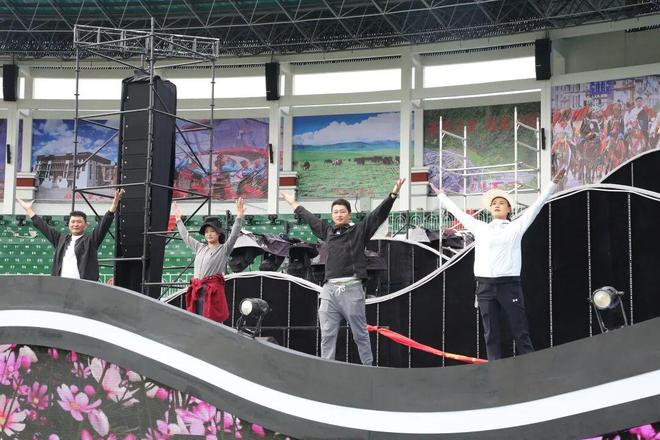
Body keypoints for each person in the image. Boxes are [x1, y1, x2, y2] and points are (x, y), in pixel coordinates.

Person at [431, 169, 565, 360]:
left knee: (519, 329)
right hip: (484, 286)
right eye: (494, 203)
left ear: (509, 209)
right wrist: (442, 196)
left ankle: (533, 366)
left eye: (501, 203)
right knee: (490, 333)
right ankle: (494, 368)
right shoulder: (480, 227)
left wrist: (552, 184)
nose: (497, 205)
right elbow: (458, 213)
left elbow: (537, 206)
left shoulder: (516, 226)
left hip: (509, 285)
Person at [281, 178, 405, 366]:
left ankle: (368, 368)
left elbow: (377, 215)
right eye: (335, 212)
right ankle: (327, 369)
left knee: (360, 334)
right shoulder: (327, 232)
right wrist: (293, 203)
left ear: (349, 214)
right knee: (327, 334)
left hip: (352, 289)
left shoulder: (359, 231)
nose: (339, 215)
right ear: (332, 215)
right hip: (329, 291)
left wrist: (393, 195)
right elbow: (310, 218)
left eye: (342, 212)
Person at [16, 189, 124, 281]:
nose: (75, 224)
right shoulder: (60, 239)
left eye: (79, 222)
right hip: (61, 285)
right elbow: (43, 227)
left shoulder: (90, 241)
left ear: (85, 225)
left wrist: (114, 206)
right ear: (69, 224)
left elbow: (104, 225)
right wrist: (28, 209)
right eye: (73, 222)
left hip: (84, 286)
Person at [172, 198, 244, 323]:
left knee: (211, 321)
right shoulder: (199, 247)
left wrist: (239, 216)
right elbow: (186, 237)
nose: (209, 234)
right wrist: (178, 220)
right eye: (206, 232)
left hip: (211, 292)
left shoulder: (223, 249)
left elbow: (234, 235)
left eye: (212, 231)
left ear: (219, 233)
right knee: (196, 321)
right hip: (197, 290)